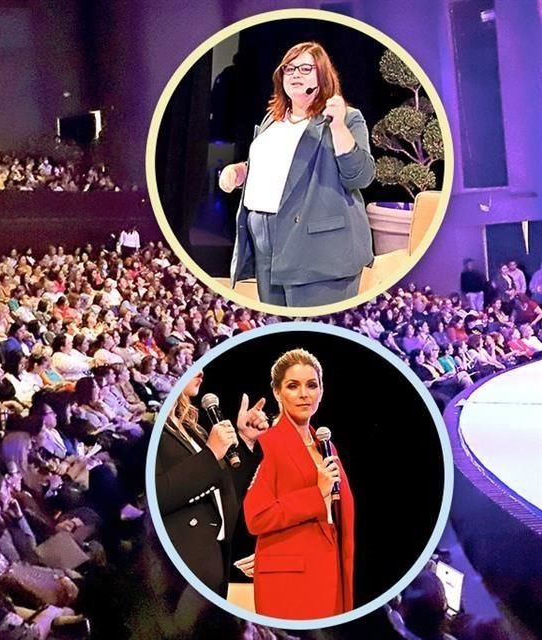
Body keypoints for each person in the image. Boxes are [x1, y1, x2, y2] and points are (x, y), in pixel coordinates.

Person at [219, 42, 375, 307]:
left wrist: (337, 127)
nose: (294, 74)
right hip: (266, 245)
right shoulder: (274, 118)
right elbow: (279, 167)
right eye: (289, 68)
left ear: (322, 76)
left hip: (318, 250)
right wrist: (241, 171)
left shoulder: (346, 119)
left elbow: (360, 177)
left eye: (305, 68)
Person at [243, 348, 355, 619]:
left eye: (312, 385)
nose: (304, 394)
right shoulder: (267, 442)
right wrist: (317, 494)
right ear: (277, 393)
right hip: (290, 582)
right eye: (293, 386)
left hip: (332, 571)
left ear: (322, 391)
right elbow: (256, 517)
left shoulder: (326, 445)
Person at [154, 368, 239, 598]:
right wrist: (210, 454)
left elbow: (220, 479)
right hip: (190, 557)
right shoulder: (154, 429)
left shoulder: (191, 425)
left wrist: (246, 441)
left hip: (222, 546)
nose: (200, 373)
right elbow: (157, 494)